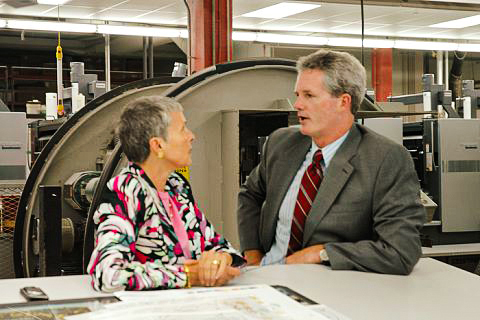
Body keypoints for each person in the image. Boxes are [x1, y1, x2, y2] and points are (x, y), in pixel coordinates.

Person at [237, 49, 425, 275]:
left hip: (331, 286)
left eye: (309, 95)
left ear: (343, 102)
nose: (297, 104)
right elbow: (249, 196)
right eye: (297, 95)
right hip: (268, 275)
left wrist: (321, 253)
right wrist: (253, 254)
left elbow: (400, 251)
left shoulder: (384, 159)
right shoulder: (281, 144)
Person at [88, 96, 244, 292]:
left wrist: (219, 260)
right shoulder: (126, 190)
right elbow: (109, 274)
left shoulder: (176, 188)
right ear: (158, 145)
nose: (191, 136)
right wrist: (187, 275)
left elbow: (218, 245)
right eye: (183, 129)